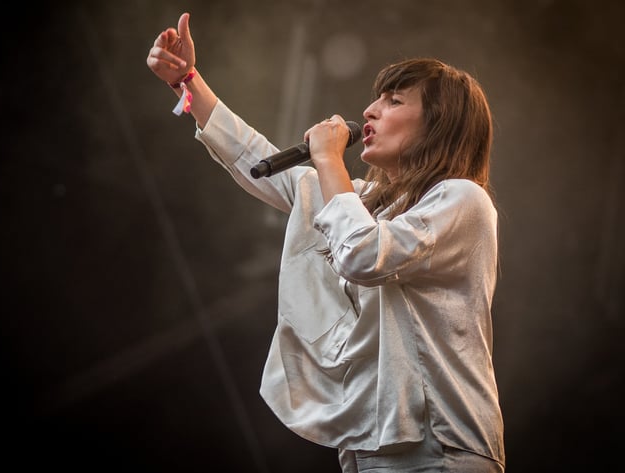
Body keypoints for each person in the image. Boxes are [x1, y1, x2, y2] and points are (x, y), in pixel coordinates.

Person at [147, 12, 505, 473]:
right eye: (376, 99)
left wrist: (329, 159)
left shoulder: (462, 200)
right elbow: (257, 157)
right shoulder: (363, 201)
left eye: (394, 101)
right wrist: (188, 84)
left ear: (439, 124)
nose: (370, 111)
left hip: (443, 447)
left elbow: (362, 253)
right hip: (369, 446)